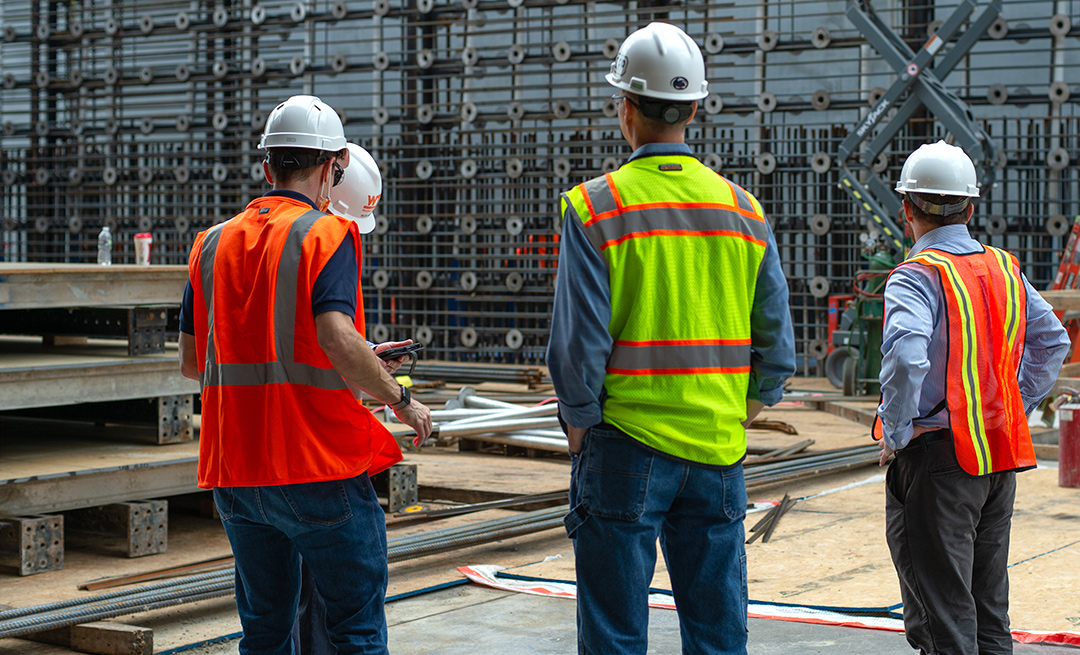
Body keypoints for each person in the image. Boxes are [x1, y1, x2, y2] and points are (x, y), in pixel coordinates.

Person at [547, 22, 795, 655]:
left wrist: (579, 421)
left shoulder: (595, 207)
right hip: (717, 448)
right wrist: (749, 404)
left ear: (625, 107)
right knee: (716, 631)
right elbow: (777, 342)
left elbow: (578, 343)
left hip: (625, 444)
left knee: (614, 631)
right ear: (692, 109)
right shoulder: (743, 210)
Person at [178, 94, 432, 655]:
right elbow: (337, 339)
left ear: (267, 166)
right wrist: (400, 397)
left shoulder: (210, 244)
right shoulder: (327, 235)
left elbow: (193, 361)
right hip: (316, 466)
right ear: (334, 165)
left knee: (266, 635)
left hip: (236, 472)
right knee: (356, 632)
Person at [876, 140, 1069, 655]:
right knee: (987, 607)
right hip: (995, 458)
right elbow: (1053, 342)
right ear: (972, 206)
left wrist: (895, 433)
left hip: (936, 461)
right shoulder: (1005, 268)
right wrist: (1015, 404)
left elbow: (905, 358)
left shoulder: (917, 277)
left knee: (942, 618)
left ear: (906, 208)